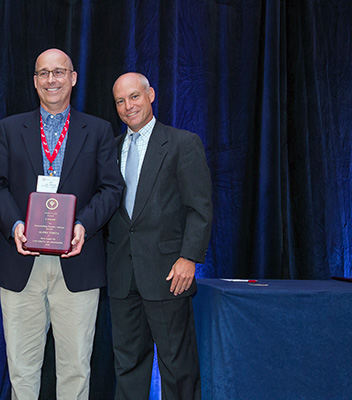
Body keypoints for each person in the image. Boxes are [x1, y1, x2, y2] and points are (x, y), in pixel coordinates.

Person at [0, 48, 123, 399]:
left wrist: (83, 226)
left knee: (76, 368)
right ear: (34, 81)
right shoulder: (9, 128)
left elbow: (111, 188)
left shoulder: (98, 130)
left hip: (78, 261)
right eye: (44, 73)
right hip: (21, 263)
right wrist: (16, 225)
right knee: (21, 367)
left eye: (59, 72)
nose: (52, 80)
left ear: (73, 78)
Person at [106, 73, 213, 400]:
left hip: (169, 273)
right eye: (121, 101)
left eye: (134, 97)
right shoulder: (110, 149)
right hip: (122, 275)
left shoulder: (183, 143)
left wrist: (189, 257)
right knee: (127, 365)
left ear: (151, 94)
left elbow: (200, 207)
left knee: (177, 366)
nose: (128, 106)